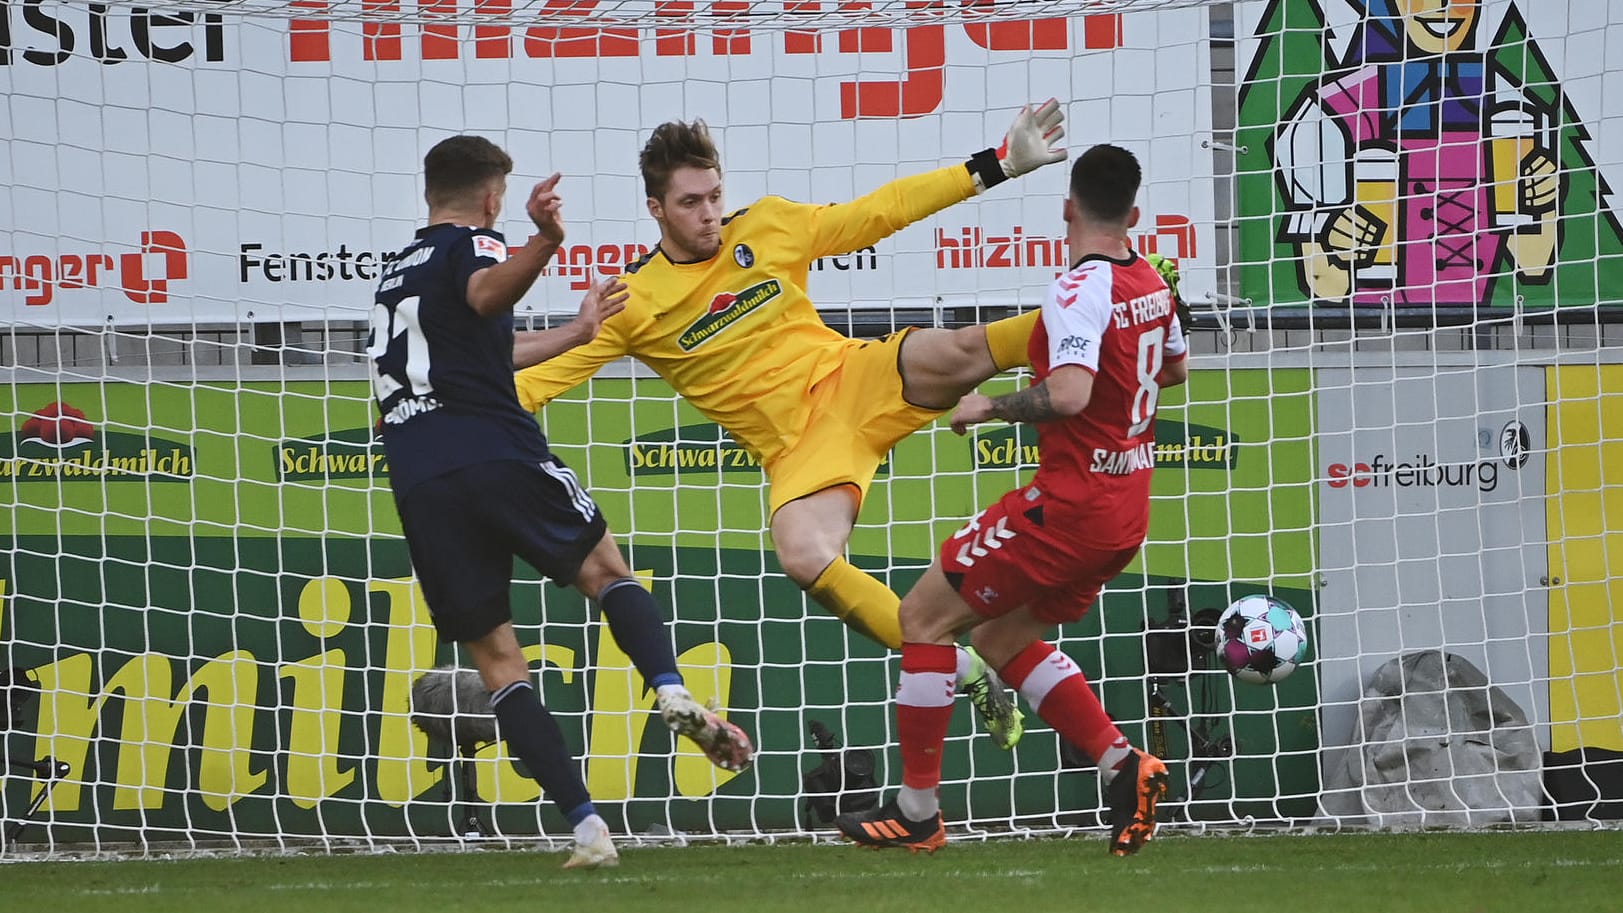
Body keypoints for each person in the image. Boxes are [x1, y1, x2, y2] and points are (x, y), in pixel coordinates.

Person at [512, 103, 1073, 749]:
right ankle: (960, 664)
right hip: (801, 449)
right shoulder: (632, 301)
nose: (708, 214)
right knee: (802, 553)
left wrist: (995, 166)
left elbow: (874, 214)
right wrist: (439, 405)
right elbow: (539, 379)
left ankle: (1105, 308)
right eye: (691, 202)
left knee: (953, 349)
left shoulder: (770, 225)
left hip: (853, 378)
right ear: (656, 209)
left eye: (715, 195)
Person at [369, 135, 754, 869]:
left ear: (429, 192)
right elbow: (487, 292)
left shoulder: (395, 276)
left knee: (497, 662)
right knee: (607, 573)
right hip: (493, 447)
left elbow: (472, 349)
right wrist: (544, 240)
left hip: (419, 476)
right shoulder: (474, 243)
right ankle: (670, 690)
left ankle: (585, 829)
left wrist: (579, 332)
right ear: (491, 197)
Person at [833, 144, 1188, 857]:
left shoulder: (1076, 289)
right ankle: (1125, 764)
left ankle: (917, 811)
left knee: (921, 618)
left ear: (1066, 208)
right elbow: (1176, 369)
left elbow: (1068, 394)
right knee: (997, 637)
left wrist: (985, 405)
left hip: (1068, 505)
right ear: (1134, 215)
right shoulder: (1151, 278)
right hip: (1124, 509)